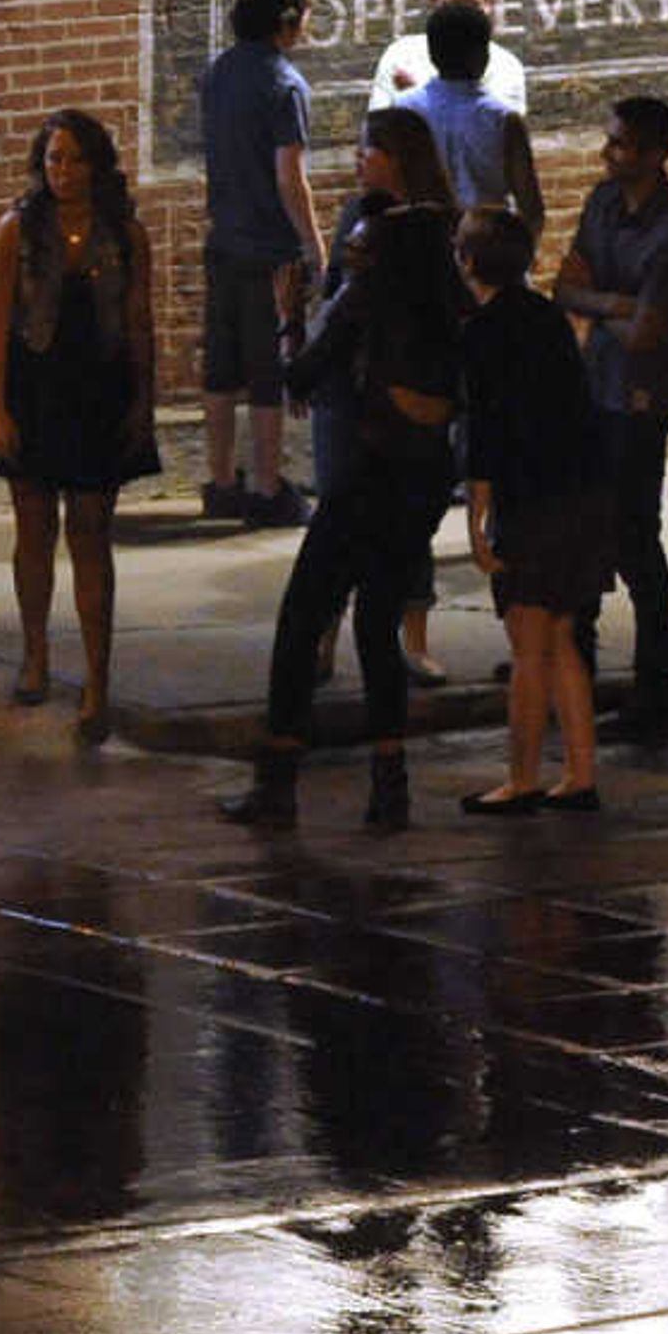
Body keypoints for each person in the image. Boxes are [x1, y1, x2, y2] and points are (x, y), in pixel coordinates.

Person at [223, 109, 466, 831]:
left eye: (370, 149)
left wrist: (288, 315)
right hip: (424, 462)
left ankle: (278, 783)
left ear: (396, 159)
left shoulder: (377, 248)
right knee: (379, 618)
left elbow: (310, 369)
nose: (359, 158)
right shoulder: (447, 243)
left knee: (304, 615)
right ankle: (389, 786)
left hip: (371, 461)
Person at [0, 110, 158, 742]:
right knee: (33, 527)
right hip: (34, 387)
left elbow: (139, 325)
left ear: (97, 165)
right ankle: (35, 655)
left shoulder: (124, 234)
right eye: (53, 159)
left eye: (76, 159)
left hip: (97, 389)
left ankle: (98, 680)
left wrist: (143, 402)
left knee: (90, 531)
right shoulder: (17, 232)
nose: (63, 171)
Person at [556, 95, 668, 746]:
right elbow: (564, 288)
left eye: (621, 144)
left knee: (637, 543)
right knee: (586, 534)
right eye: (609, 140)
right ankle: (574, 676)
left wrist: (608, 306)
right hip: (593, 392)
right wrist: (615, 300)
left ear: (653, 153)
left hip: (641, 400)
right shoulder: (601, 204)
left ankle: (655, 690)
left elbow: (648, 334)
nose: (607, 152)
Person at [456, 208, 610, 814]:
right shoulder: (548, 317)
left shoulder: (483, 333)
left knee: (527, 642)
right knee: (562, 635)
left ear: (469, 262)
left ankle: (521, 777)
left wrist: (478, 520)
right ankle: (579, 771)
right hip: (584, 489)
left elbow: (487, 435)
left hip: (535, 499)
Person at [198, 0, 326, 528]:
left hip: (222, 236)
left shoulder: (217, 72)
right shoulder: (285, 84)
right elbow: (289, 177)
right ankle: (268, 487)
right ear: (289, 20)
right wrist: (316, 246)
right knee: (270, 367)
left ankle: (221, 481)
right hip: (270, 247)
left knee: (222, 366)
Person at [396, 0, 544, 240]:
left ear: (432, 54)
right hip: (488, 247)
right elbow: (531, 207)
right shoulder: (504, 120)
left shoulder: (403, 111)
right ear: (483, 54)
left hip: (423, 244)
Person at [370, 0, 530, 114]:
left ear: (488, 7)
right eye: (451, 5)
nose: (459, 16)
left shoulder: (506, 68)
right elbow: (380, 130)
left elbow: (494, 131)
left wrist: (414, 98)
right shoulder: (400, 57)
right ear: (433, 5)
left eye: (471, 5)